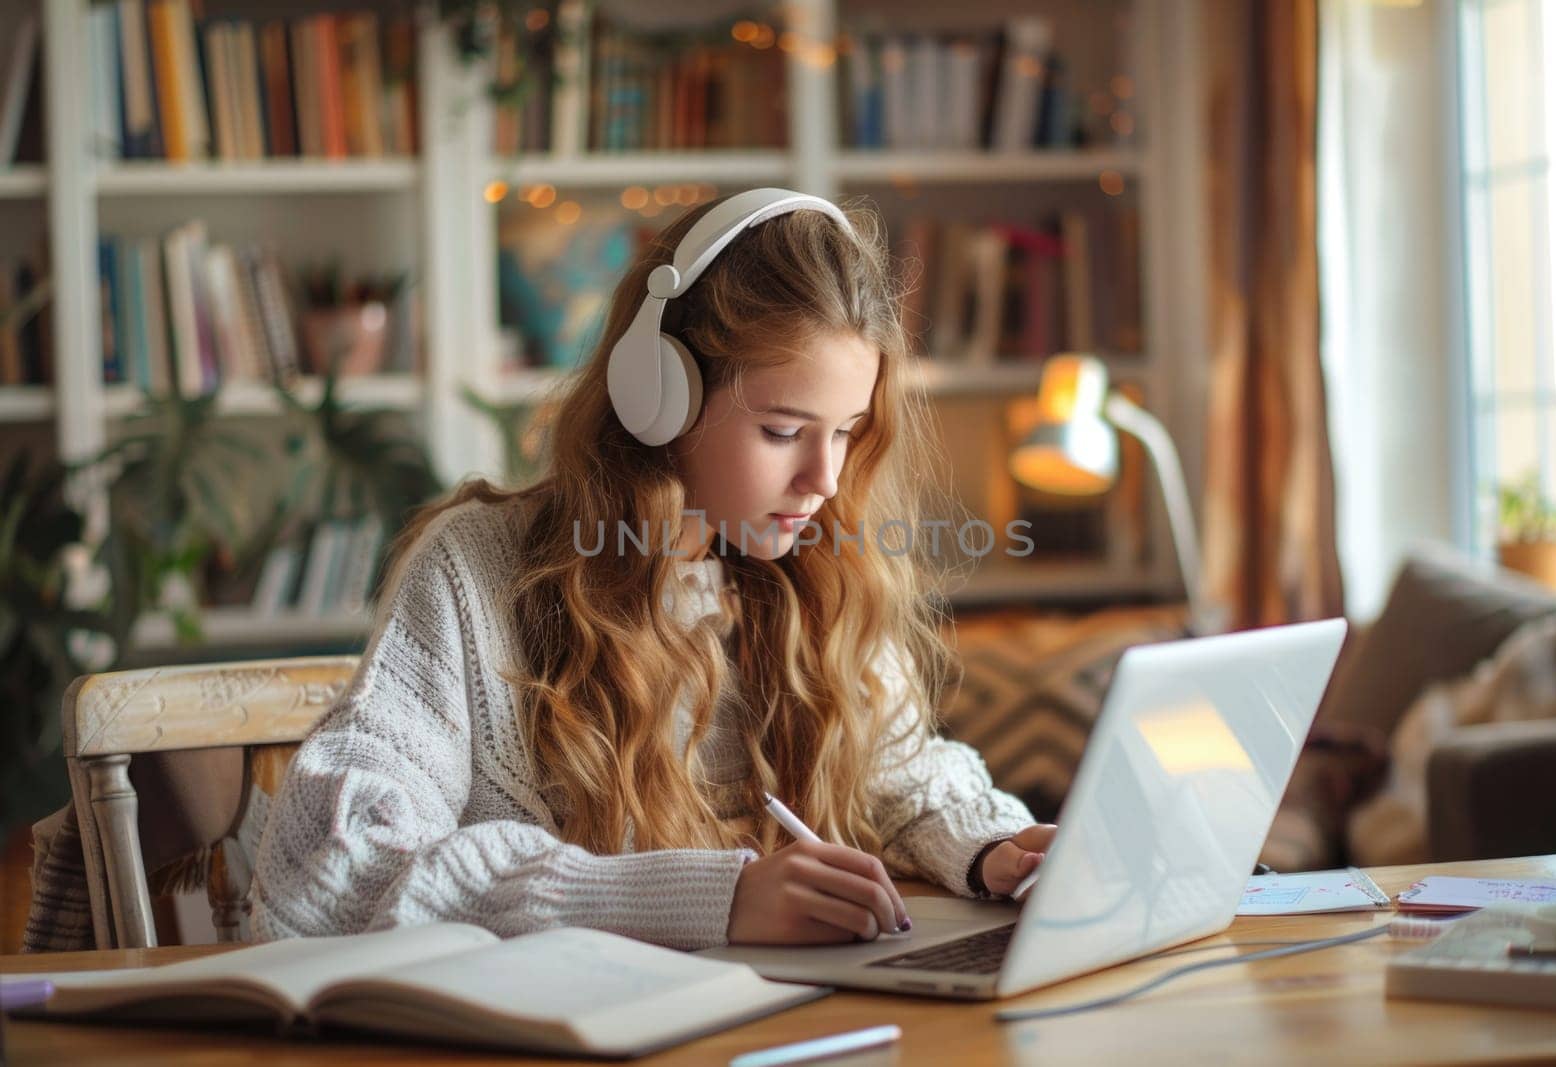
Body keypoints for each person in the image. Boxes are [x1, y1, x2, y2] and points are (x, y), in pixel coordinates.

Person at [248, 189, 1055, 950]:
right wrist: (711, 898)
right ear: (657, 395)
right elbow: (337, 869)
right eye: (782, 430)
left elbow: (905, 775)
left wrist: (995, 847)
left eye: (845, 431)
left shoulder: (816, 569)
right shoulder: (476, 572)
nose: (826, 480)